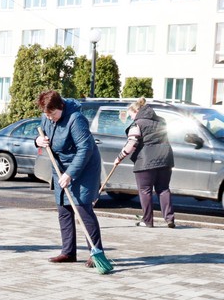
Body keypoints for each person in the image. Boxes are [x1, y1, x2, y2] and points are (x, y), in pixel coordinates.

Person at [35, 90, 104, 268]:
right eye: (46, 115)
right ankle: (68, 252)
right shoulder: (47, 117)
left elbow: (85, 149)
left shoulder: (76, 119)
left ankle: (96, 252)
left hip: (84, 167)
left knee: (82, 208)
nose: (49, 118)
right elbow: (42, 136)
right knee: (63, 209)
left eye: (52, 114)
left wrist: (70, 174)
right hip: (60, 167)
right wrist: (38, 141)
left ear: (61, 106)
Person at [114, 98, 176, 228]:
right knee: (163, 189)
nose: (131, 118)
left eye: (131, 115)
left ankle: (147, 220)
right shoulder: (161, 121)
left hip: (146, 160)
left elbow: (132, 143)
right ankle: (169, 219)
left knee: (145, 190)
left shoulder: (137, 124)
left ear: (136, 111)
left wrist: (119, 157)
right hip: (165, 158)